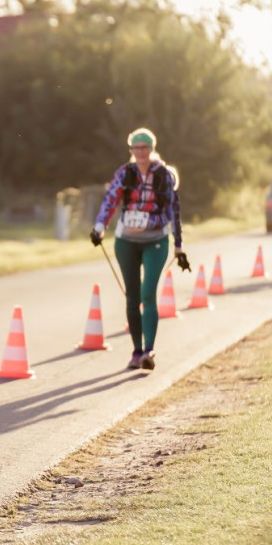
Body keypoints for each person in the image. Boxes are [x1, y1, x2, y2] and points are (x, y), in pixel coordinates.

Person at [89, 128, 189, 371]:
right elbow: (111, 199)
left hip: (156, 239)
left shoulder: (164, 175)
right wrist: (100, 227)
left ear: (152, 149)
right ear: (131, 150)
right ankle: (136, 351)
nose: (141, 152)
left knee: (147, 292)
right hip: (127, 241)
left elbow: (174, 209)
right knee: (132, 297)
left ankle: (149, 350)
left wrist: (178, 245)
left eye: (145, 147)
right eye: (136, 148)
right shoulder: (126, 173)